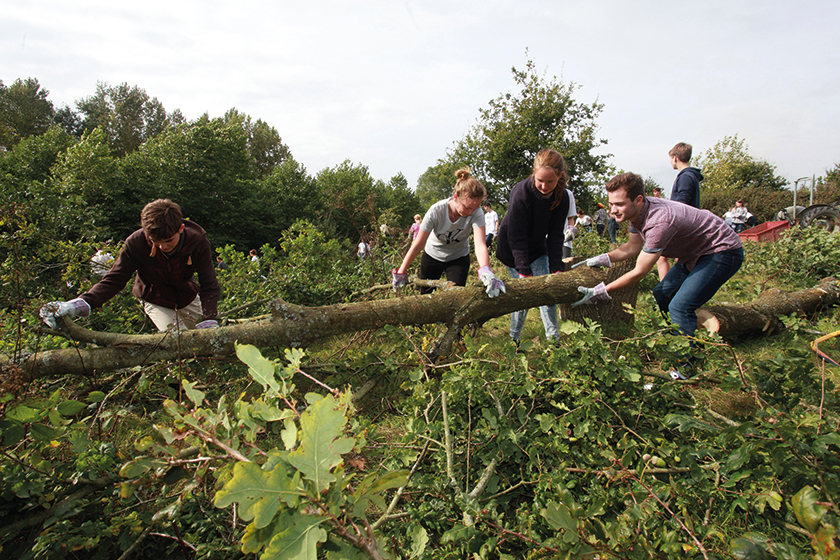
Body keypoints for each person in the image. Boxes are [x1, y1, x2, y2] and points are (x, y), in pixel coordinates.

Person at [572, 172, 743, 378]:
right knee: (662, 293)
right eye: (611, 204)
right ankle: (675, 340)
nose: (613, 210)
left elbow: (639, 271)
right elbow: (631, 248)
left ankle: (687, 368)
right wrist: (602, 258)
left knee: (680, 306)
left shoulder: (659, 221)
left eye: (619, 204)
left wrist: (602, 290)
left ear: (638, 200)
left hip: (721, 251)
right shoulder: (637, 213)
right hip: (694, 253)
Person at [40, 199, 220, 332]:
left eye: (168, 241)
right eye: (155, 242)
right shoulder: (135, 243)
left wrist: (209, 317)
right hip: (155, 299)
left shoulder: (197, 241)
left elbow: (209, 284)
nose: (162, 247)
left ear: (180, 229)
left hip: (187, 296)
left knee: (205, 339)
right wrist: (80, 303)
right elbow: (115, 279)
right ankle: (177, 383)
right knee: (175, 339)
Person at [496, 149, 576, 345]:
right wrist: (523, 270)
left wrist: (557, 268)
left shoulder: (563, 197)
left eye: (550, 181)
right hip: (512, 248)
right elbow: (517, 236)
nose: (543, 186)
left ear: (560, 176)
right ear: (533, 173)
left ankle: (553, 342)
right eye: (540, 180)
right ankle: (514, 340)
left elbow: (556, 235)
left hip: (538, 248)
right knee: (524, 298)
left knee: (548, 292)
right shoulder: (521, 192)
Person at [391, 167, 504, 298]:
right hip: (432, 256)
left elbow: (480, 244)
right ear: (455, 197)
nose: (471, 212)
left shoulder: (477, 212)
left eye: (475, 208)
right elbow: (418, 244)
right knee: (426, 297)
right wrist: (401, 271)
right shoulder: (436, 211)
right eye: (467, 207)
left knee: (456, 297)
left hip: (458, 257)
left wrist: (485, 268)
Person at [668, 142, 702, 208]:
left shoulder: (685, 177)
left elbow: (682, 204)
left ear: (675, 158)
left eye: (671, 158)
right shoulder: (690, 175)